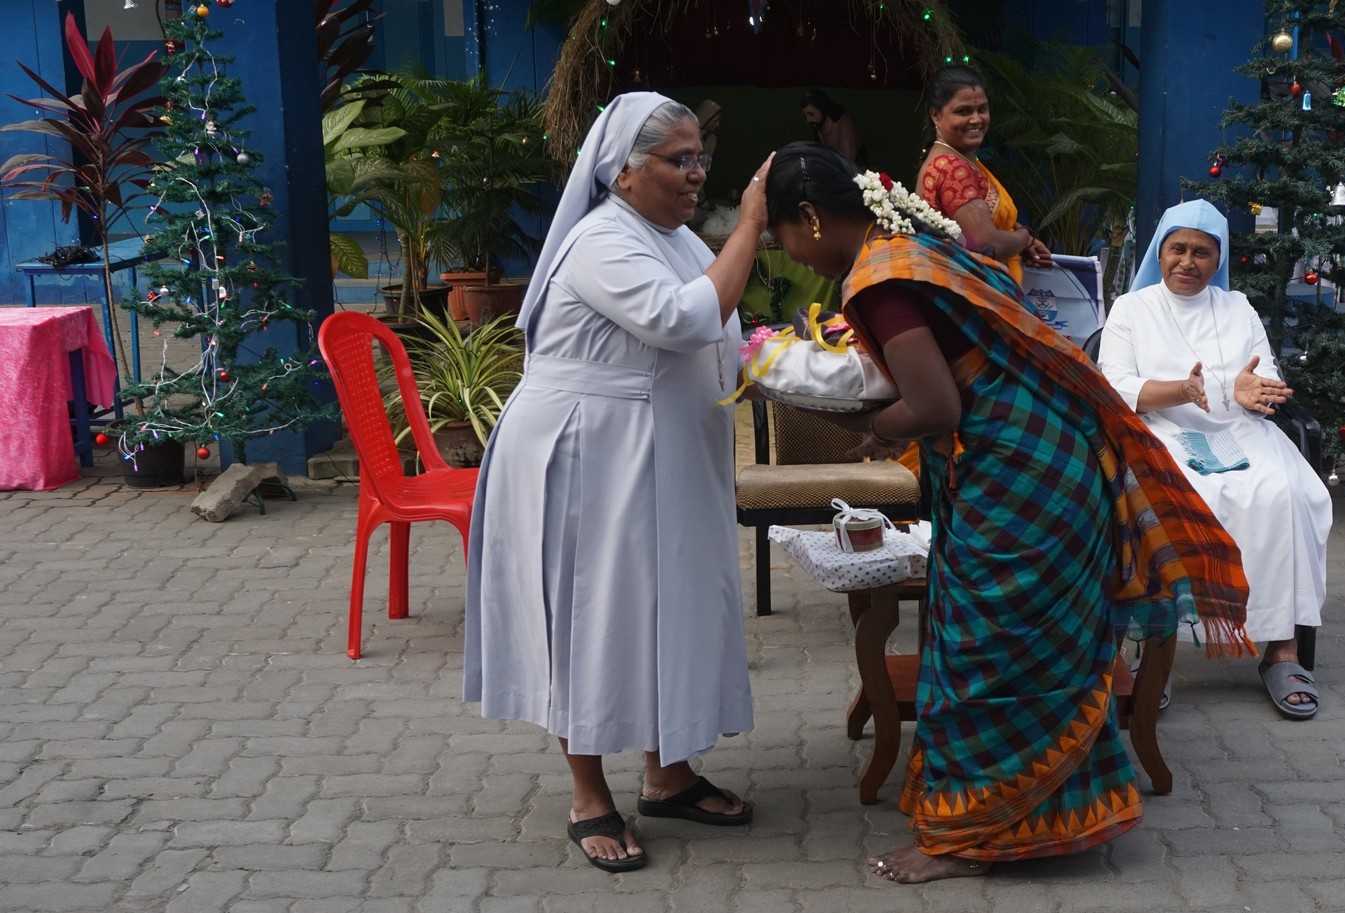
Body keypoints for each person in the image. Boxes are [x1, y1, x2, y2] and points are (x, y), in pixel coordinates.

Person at [763, 142, 1253, 884]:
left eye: (779, 235)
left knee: (984, 652)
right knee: (1030, 647)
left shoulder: (879, 279)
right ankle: (1044, 819)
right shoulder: (910, 248)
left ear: (808, 217)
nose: (789, 253)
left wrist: (871, 428)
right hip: (1047, 460)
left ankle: (968, 838)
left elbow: (934, 405)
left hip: (1020, 477)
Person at [463, 93, 774, 873]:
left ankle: (668, 774)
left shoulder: (671, 235)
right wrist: (749, 225)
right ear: (624, 172)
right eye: (679, 159)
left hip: (655, 450)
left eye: (701, 156)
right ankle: (587, 794)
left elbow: (719, 326)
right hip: (586, 454)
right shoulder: (603, 240)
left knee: (661, 607)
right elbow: (684, 319)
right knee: (590, 613)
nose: (697, 172)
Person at [1096, 200, 1332, 721]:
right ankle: (1156, 655)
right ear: (1160, 253)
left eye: (1201, 252)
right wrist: (1181, 390)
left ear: (1218, 258)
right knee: (1173, 495)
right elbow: (1115, 387)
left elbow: (1263, 376)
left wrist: (1253, 391)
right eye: (1177, 249)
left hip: (1240, 431)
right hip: (1160, 431)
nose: (1188, 261)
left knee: (1286, 493)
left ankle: (1282, 649)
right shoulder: (1131, 309)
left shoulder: (1237, 307)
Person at [914, 65, 1052, 283]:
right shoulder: (952, 168)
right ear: (936, 115)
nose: (976, 119)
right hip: (971, 293)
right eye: (963, 111)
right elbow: (987, 245)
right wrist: (1025, 237)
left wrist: (1013, 236)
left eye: (982, 109)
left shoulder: (953, 159)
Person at [800, 89, 865, 168]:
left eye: (811, 114)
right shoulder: (818, 125)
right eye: (806, 115)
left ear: (822, 108)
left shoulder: (844, 124)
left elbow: (848, 162)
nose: (808, 120)